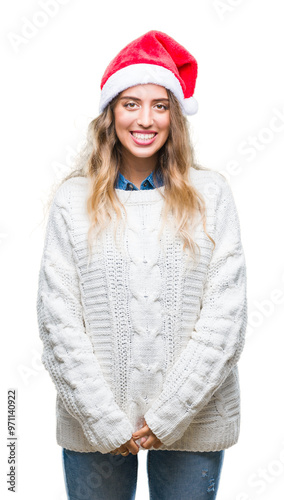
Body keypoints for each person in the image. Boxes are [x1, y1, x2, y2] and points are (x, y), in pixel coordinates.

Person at [36, 30, 248, 500]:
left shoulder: (212, 195)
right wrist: (103, 419)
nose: (145, 119)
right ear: (110, 113)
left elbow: (224, 320)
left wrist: (168, 413)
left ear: (175, 115)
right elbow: (59, 321)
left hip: (195, 418)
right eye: (130, 103)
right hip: (95, 424)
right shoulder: (73, 201)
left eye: (160, 104)